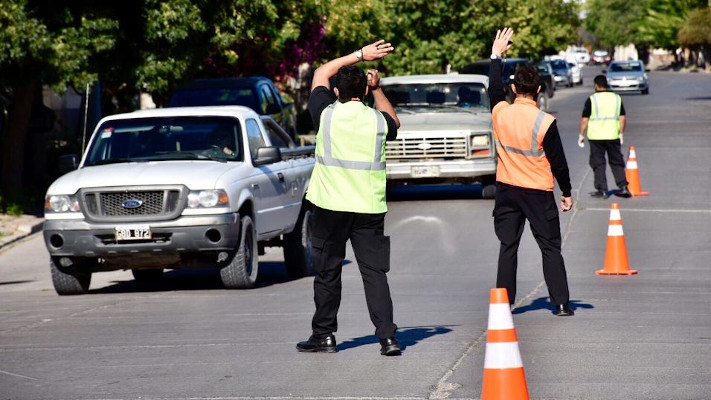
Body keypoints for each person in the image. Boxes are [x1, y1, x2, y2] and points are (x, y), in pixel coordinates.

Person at [296, 40, 402, 355]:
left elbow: (321, 72)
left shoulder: (325, 114)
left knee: (328, 273)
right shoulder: (377, 121)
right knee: (374, 274)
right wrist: (379, 88)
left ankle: (324, 335)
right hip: (368, 208)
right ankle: (388, 338)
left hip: (329, 207)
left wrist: (358, 55)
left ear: (337, 92)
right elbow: (394, 121)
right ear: (365, 92)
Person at [488, 28, 574, 316]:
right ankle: (560, 303)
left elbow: (492, 89)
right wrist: (568, 192)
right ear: (539, 90)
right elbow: (559, 162)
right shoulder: (545, 121)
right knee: (550, 247)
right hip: (538, 191)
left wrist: (496, 56)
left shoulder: (500, 112)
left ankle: (504, 302)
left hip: (508, 190)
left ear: (513, 89)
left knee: (508, 246)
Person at [579, 75, 631, 199]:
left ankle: (602, 190)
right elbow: (622, 118)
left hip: (596, 137)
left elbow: (585, 119)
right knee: (617, 161)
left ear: (596, 85)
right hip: (613, 135)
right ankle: (623, 186)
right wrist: (621, 132)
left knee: (598, 163)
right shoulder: (616, 98)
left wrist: (581, 135)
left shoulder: (592, 99)